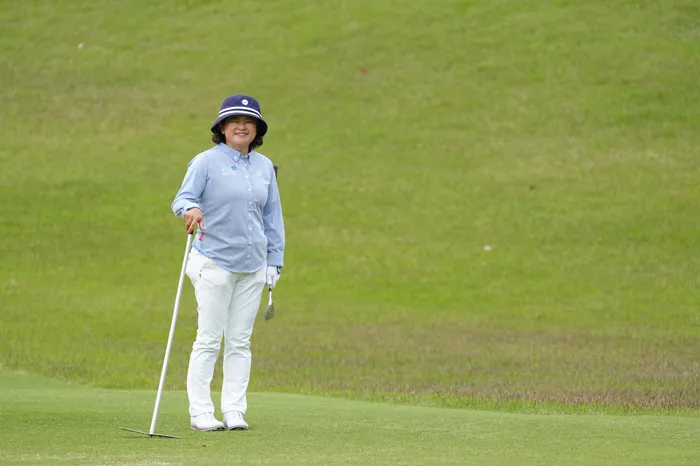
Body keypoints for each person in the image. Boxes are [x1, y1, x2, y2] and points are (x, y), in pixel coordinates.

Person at [171, 94, 285, 431]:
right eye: (234, 121)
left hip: (254, 265)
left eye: (249, 121)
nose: (241, 126)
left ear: (257, 129)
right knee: (209, 339)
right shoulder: (205, 162)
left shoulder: (265, 167)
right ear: (222, 127)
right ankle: (201, 412)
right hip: (213, 260)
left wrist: (275, 261)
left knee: (239, 341)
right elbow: (183, 198)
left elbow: (272, 217)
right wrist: (190, 209)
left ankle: (234, 410)